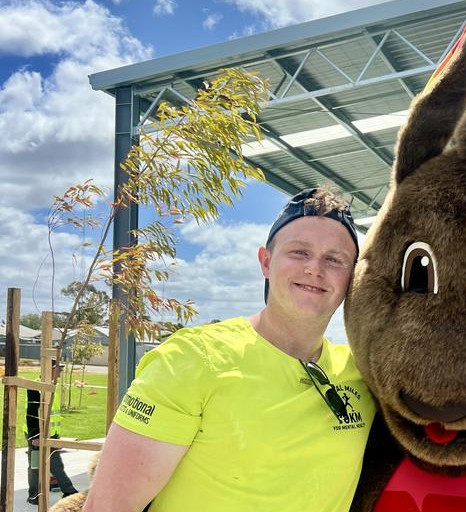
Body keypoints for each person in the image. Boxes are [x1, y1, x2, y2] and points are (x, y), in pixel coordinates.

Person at [82, 188, 376, 512]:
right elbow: (106, 507)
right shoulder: (191, 361)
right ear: (266, 262)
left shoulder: (363, 375)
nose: (315, 269)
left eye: (335, 259)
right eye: (299, 252)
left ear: (353, 276)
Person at [26, 360, 78, 505]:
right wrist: (35, 436)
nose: (60, 372)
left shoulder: (53, 386)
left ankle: (69, 491)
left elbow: (52, 414)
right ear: (50, 369)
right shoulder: (36, 387)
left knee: (56, 464)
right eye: (58, 369)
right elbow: (31, 413)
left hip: (50, 434)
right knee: (35, 466)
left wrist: (55, 434)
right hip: (36, 435)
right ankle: (34, 495)